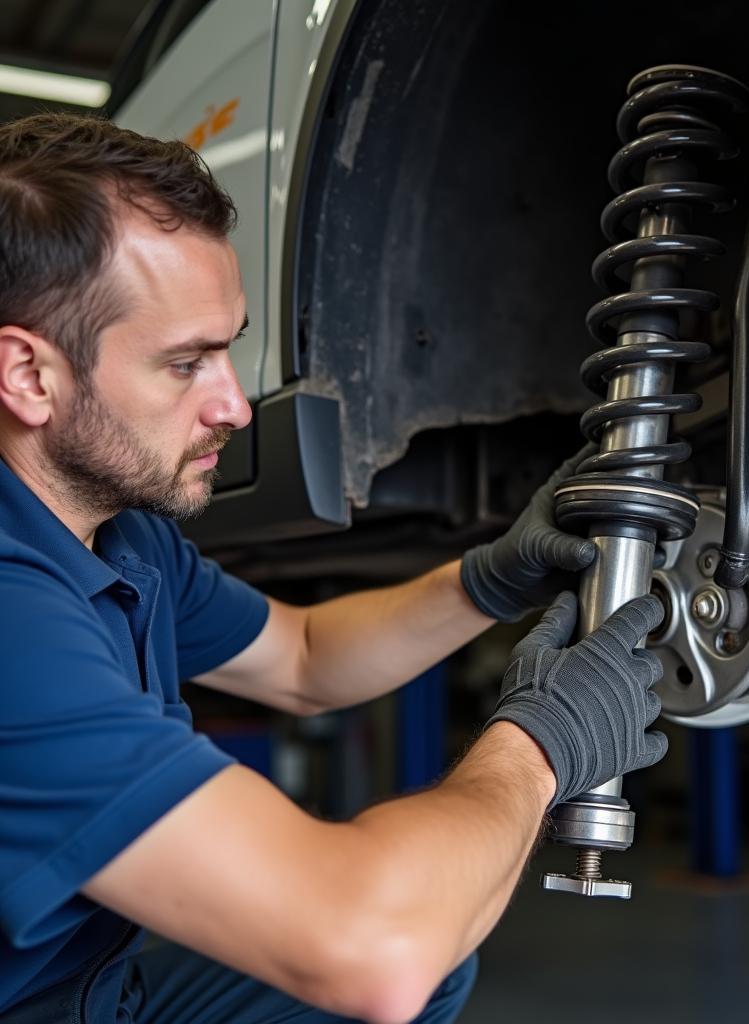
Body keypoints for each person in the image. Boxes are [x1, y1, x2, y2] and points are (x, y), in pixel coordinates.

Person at [0, 113, 668, 1024]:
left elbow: (305, 657)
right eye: (185, 363)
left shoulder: (116, 532)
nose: (233, 404)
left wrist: (489, 578)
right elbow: (370, 952)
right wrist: (548, 742)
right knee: (398, 946)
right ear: (28, 376)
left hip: (95, 998)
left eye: (227, 347)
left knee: (433, 954)